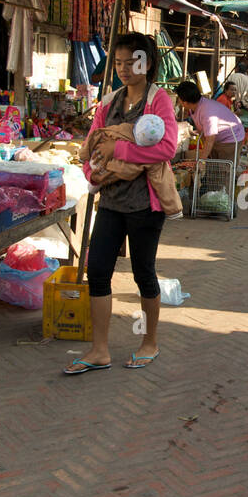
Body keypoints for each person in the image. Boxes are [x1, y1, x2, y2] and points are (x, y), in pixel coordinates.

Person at [68, 32, 179, 375]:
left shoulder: (158, 100)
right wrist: (94, 171)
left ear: (147, 63)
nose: (124, 68)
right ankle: (99, 350)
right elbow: (91, 144)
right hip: (112, 200)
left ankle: (149, 342)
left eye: (132, 61)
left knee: (143, 273)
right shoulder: (109, 102)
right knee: (98, 271)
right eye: (118, 62)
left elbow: (167, 148)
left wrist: (121, 151)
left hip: (145, 204)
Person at [175, 79, 245, 160]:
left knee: (225, 169)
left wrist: (202, 160)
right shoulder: (194, 107)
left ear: (185, 102)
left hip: (231, 138)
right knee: (213, 164)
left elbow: (210, 139)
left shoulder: (207, 112)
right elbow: (204, 133)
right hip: (219, 138)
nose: (178, 101)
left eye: (179, 99)